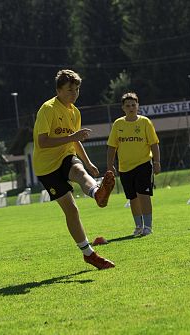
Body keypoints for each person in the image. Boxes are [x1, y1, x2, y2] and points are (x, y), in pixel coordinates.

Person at [32, 69, 115, 270]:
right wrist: (72, 138)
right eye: (70, 90)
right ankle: (89, 254)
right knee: (72, 209)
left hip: (65, 157)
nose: (74, 94)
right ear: (58, 90)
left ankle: (98, 193)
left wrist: (88, 162)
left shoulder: (74, 111)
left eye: (77, 89)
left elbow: (75, 140)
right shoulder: (48, 109)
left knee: (79, 172)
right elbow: (43, 142)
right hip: (46, 168)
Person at [107, 92, 161, 237]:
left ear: (137, 106)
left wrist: (156, 162)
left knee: (143, 195)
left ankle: (148, 227)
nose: (131, 108)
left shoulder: (145, 122)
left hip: (143, 164)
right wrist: (110, 165)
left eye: (133, 105)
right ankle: (138, 226)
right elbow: (112, 146)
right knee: (133, 198)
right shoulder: (118, 124)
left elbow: (154, 144)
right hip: (124, 167)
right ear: (123, 108)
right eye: (128, 105)